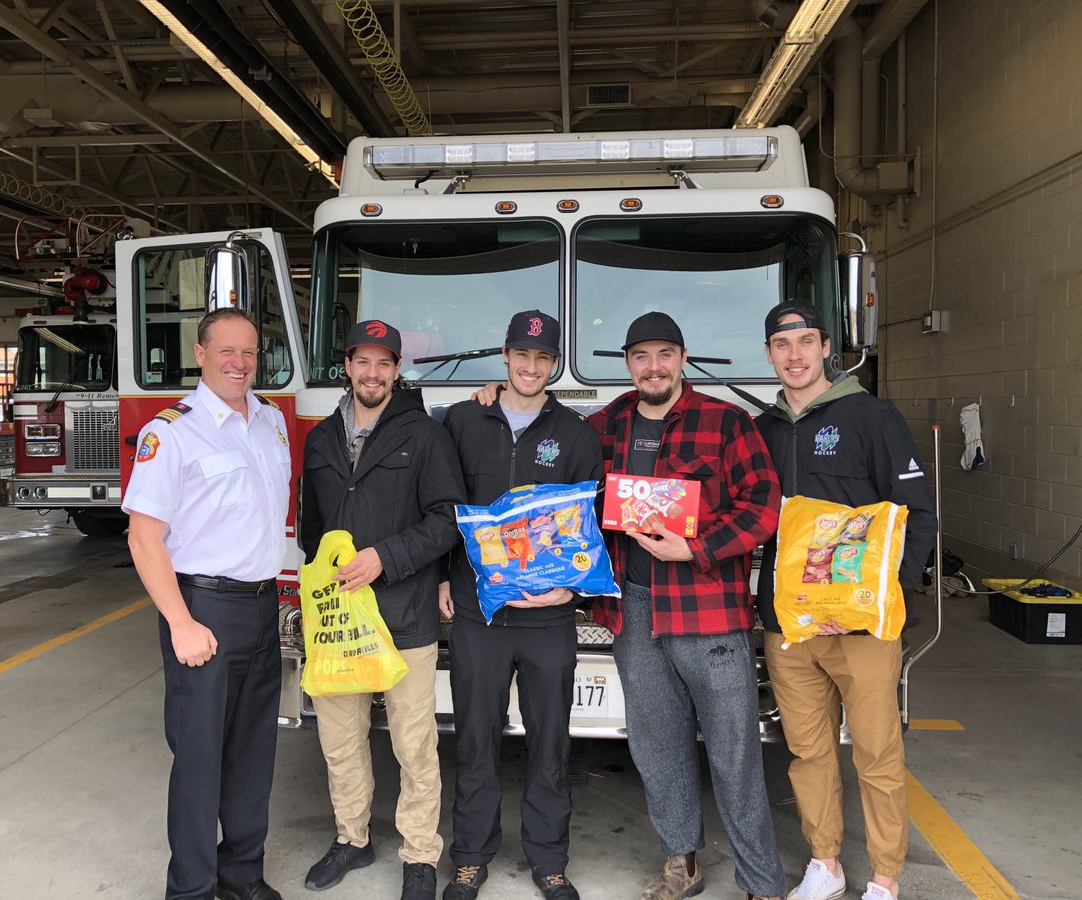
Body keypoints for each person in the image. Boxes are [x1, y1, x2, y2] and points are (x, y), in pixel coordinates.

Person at [589, 311, 787, 900]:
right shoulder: (605, 425)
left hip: (708, 614)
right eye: (641, 356)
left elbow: (763, 507)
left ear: (682, 358)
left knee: (734, 753)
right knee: (657, 747)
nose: (654, 367)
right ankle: (682, 863)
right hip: (634, 609)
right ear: (628, 364)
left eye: (665, 354)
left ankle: (761, 881)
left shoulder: (726, 424)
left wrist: (696, 548)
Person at [755, 301, 937, 900]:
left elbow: (917, 514)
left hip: (860, 626)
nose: (795, 355)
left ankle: (885, 877)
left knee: (877, 753)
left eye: (805, 341)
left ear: (826, 346)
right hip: (790, 626)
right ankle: (825, 864)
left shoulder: (871, 416)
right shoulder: (762, 429)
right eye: (783, 346)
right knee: (808, 753)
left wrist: (891, 596)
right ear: (769, 355)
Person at [124, 307, 291, 900]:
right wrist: (180, 621)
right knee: (199, 760)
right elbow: (143, 538)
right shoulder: (172, 431)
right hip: (203, 611)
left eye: (249, 352)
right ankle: (191, 888)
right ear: (200, 353)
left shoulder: (270, 422)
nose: (240, 363)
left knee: (253, 752)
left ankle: (241, 875)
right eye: (226, 351)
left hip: (262, 607)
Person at [439, 310, 604, 900]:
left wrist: (575, 588)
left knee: (550, 738)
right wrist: (440, 577)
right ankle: (470, 856)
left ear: (554, 363)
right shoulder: (460, 421)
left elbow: (590, 529)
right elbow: (438, 507)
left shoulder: (578, 435)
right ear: (504, 357)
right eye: (521, 356)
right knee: (475, 737)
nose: (531, 368)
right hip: (478, 614)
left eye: (542, 358)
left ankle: (548, 860)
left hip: (549, 618)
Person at [299, 319, 465, 900]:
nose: (372, 374)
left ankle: (419, 853)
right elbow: (312, 533)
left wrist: (383, 558)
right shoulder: (320, 439)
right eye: (362, 362)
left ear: (397, 370)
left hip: (404, 616)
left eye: (383, 363)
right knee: (339, 739)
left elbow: (447, 520)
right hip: (339, 624)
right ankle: (352, 837)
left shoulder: (423, 435)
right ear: (347, 366)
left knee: (413, 743)